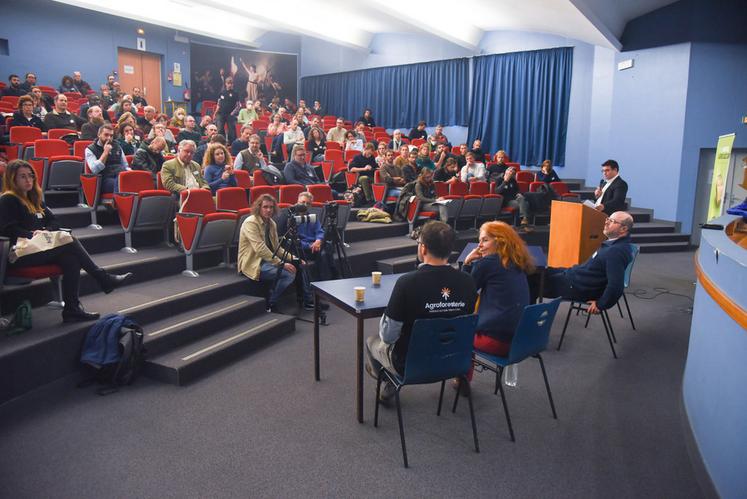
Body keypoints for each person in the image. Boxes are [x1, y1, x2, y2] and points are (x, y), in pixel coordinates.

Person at [0, 160, 132, 322]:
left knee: (71, 259)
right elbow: (7, 230)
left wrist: (46, 232)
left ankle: (72, 309)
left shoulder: (36, 199)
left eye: (31, 176)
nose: (28, 180)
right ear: (12, 179)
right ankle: (102, 278)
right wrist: (31, 234)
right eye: (22, 177)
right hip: (20, 253)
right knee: (69, 241)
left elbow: (54, 221)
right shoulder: (8, 200)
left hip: (41, 247)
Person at [365, 221, 477, 402]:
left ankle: (388, 382)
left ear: (423, 249)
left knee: (371, 341)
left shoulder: (406, 283)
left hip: (410, 365)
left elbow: (388, 336)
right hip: (453, 360)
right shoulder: (468, 282)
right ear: (450, 249)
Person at [533, 212, 635, 315]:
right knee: (535, 270)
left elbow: (616, 285)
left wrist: (601, 304)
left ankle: (526, 323)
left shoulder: (615, 251)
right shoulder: (613, 244)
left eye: (612, 221)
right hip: (575, 276)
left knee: (531, 281)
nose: (606, 222)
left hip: (577, 287)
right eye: (608, 218)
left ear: (623, 229)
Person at [462, 221, 533, 361]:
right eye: (479, 241)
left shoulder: (487, 263)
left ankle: (462, 380)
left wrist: (466, 263)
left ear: (500, 241)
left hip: (497, 343)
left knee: (458, 334)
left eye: (485, 240)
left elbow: (464, 294)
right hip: (521, 341)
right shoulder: (517, 261)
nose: (479, 246)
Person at [237, 194, 314, 312]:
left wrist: (294, 258)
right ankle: (271, 303)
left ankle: (307, 300)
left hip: (269, 259)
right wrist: (281, 263)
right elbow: (260, 249)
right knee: (288, 274)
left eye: (271, 207)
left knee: (300, 264)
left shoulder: (271, 223)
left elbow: (277, 248)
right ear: (259, 207)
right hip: (253, 262)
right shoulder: (250, 222)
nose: (268, 210)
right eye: (265, 207)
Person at [295, 191, 337, 281]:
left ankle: (327, 279)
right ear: (298, 202)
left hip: (316, 245)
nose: (305, 205)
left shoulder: (312, 217)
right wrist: (310, 245)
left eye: (308, 203)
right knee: (324, 253)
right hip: (302, 248)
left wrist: (318, 241)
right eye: (303, 202)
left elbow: (319, 231)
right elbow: (294, 239)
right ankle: (330, 279)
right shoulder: (292, 218)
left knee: (326, 249)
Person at [84, 124, 130, 194]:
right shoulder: (90, 149)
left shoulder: (117, 146)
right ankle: (119, 203)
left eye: (111, 136)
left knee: (133, 180)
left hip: (120, 174)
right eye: (106, 135)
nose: (109, 138)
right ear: (99, 135)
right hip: (104, 179)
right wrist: (105, 153)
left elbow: (125, 165)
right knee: (121, 183)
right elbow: (94, 170)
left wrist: (132, 174)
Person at [214, 76, 239, 142]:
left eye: (231, 83)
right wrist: (215, 113)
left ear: (233, 84)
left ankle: (231, 143)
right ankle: (222, 142)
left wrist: (232, 113)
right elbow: (218, 104)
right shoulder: (221, 93)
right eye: (228, 83)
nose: (230, 85)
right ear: (225, 83)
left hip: (230, 114)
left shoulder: (235, 93)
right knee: (220, 129)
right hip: (220, 114)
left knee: (231, 130)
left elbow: (238, 106)